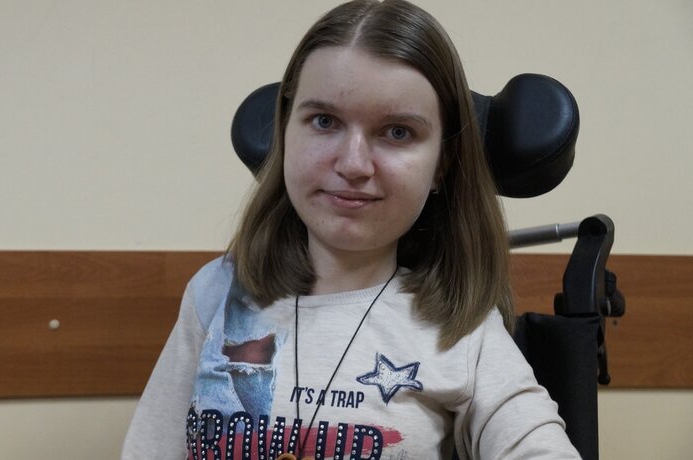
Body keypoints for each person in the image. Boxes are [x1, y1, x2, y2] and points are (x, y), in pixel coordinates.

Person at [122, 1, 580, 458]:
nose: (354, 164)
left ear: (442, 163)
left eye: (397, 132)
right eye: (324, 122)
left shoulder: (463, 329)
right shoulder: (216, 293)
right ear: (284, 133)